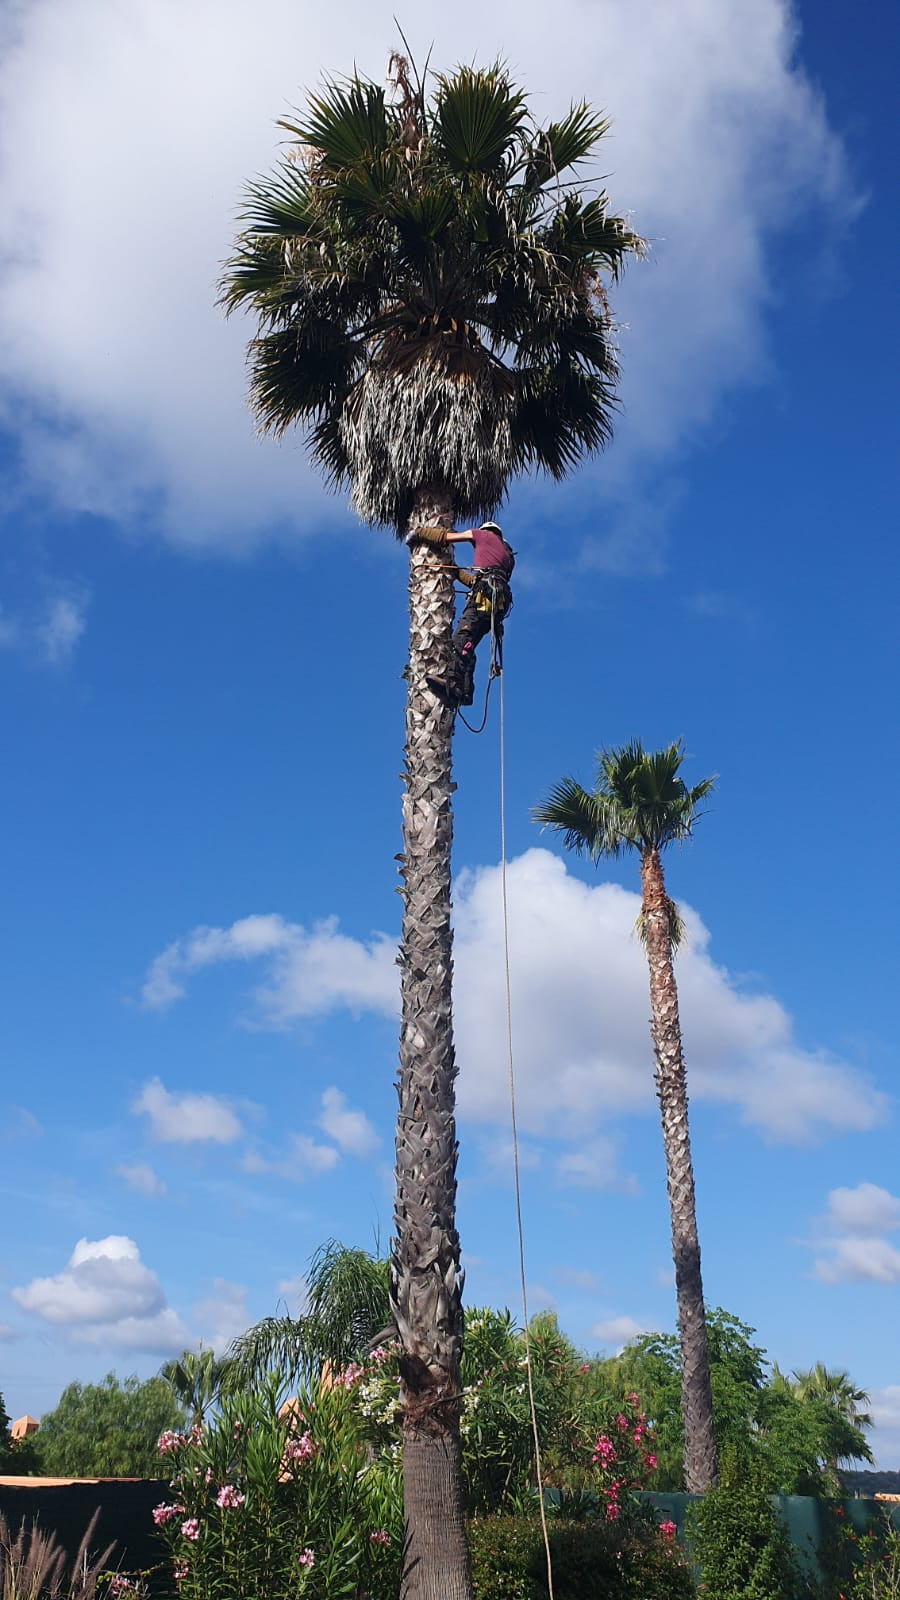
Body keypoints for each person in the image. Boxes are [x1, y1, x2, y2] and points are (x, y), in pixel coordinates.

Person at [407, 521, 515, 707]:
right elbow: (478, 582)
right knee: (468, 644)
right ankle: (465, 691)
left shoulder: (482, 535)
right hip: (497, 604)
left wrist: (419, 533)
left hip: (484, 597)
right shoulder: (506, 555)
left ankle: (452, 681)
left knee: (461, 638)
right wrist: (455, 570)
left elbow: (446, 537)